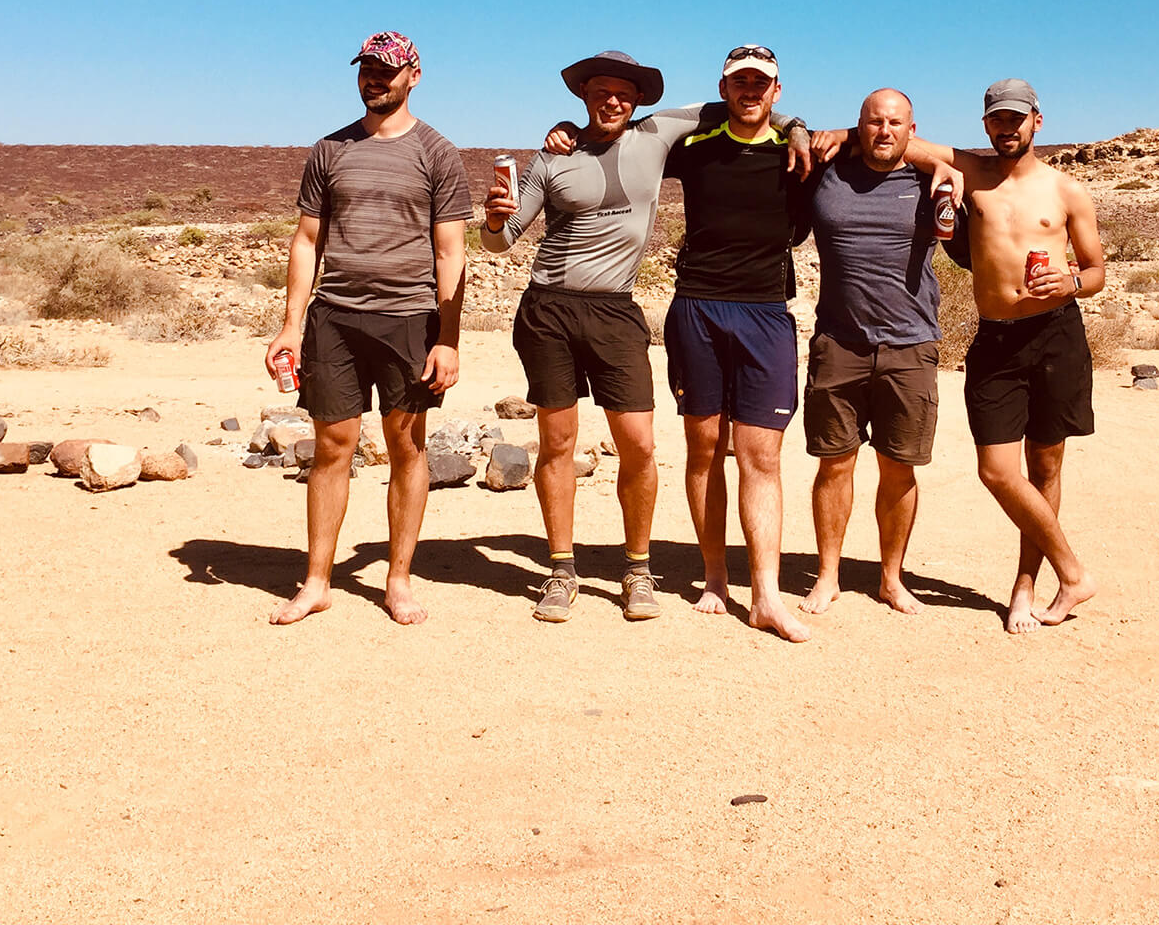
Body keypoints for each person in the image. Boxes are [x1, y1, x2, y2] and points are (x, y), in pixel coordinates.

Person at [484, 50, 810, 624]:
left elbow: (749, 107)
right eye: (600, 92)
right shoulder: (551, 156)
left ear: (638, 99)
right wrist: (491, 219)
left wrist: (801, 129)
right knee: (558, 443)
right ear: (583, 97)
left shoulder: (660, 133)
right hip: (549, 309)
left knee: (639, 445)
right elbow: (502, 241)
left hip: (616, 311)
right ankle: (562, 570)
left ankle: (638, 568)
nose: (612, 101)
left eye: (623, 93)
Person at [813, 78, 1102, 633]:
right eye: (998, 118)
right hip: (995, 337)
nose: (1007, 127)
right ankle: (1073, 570)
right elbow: (895, 139)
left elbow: (1096, 272)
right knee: (998, 471)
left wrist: (1071, 284)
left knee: (1045, 466)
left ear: (1037, 122)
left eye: (1018, 118)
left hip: (1056, 333)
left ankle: (1028, 585)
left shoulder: (1067, 191)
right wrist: (843, 133)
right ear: (986, 124)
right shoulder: (968, 170)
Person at [263, 31, 471, 627]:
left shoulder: (437, 152)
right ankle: (317, 581)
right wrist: (290, 326)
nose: (375, 79)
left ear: (414, 74)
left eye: (387, 70)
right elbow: (308, 239)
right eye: (367, 70)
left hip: (409, 318)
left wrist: (448, 337)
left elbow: (451, 252)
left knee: (407, 447)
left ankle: (398, 579)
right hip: (335, 317)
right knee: (332, 448)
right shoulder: (330, 150)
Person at [661, 44, 819, 642]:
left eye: (762, 83)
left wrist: (797, 128)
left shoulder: (799, 155)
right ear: (723, 90)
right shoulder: (693, 148)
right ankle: (713, 577)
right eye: (739, 82)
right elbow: (629, 129)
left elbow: (878, 138)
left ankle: (767, 596)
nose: (751, 90)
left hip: (766, 315)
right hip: (698, 308)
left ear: (777, 91)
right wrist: (567, 130)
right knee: (703, 448)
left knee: (762, 455)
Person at [796, 89, 952, 617]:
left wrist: (933, 159)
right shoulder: (827, 169)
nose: (883, 131)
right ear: (858, 125)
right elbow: (792, 141)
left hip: (911, 344)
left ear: (912, 129)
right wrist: (836, 135)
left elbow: (971, 162)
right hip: (840, 342)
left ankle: (891, 578)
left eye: (895, 123)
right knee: (834, 464)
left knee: (899, 467)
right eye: (872, 122)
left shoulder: (933, 179)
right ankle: (828, 576)